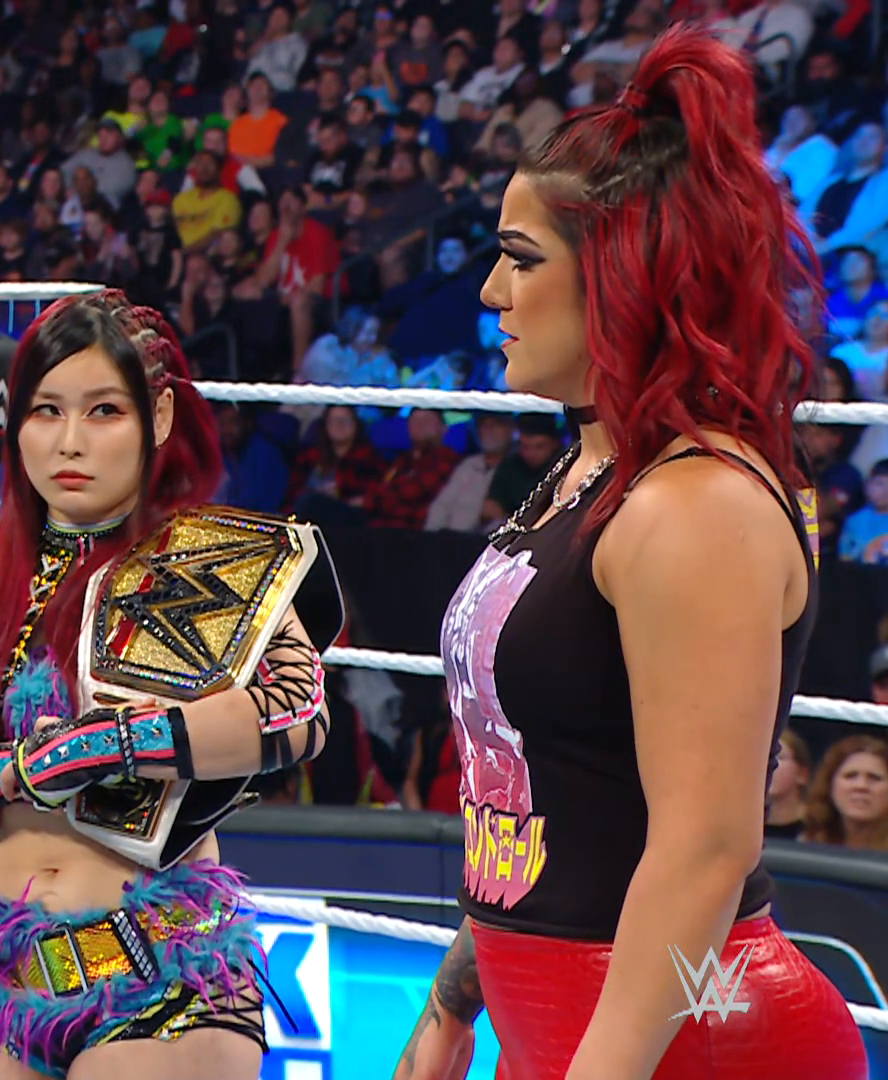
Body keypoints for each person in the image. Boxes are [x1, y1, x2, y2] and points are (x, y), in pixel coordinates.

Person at [393, 29, 866, 1080]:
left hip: (691, 1038)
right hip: (573, 1022)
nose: (491, 293)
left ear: (622, 274)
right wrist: (455, 1000)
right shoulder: (589, 474)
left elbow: (706, 849)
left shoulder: (695, 502)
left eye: (521, 259)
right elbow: (553, 788)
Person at [0, 290, 333, 1080]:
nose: (70, 442)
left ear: (158, 417)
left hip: (163, 974)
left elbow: (297, 711)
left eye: (103, 411)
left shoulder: (211, 557)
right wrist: (24, 768)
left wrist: (114, 745)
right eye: (46, 411)